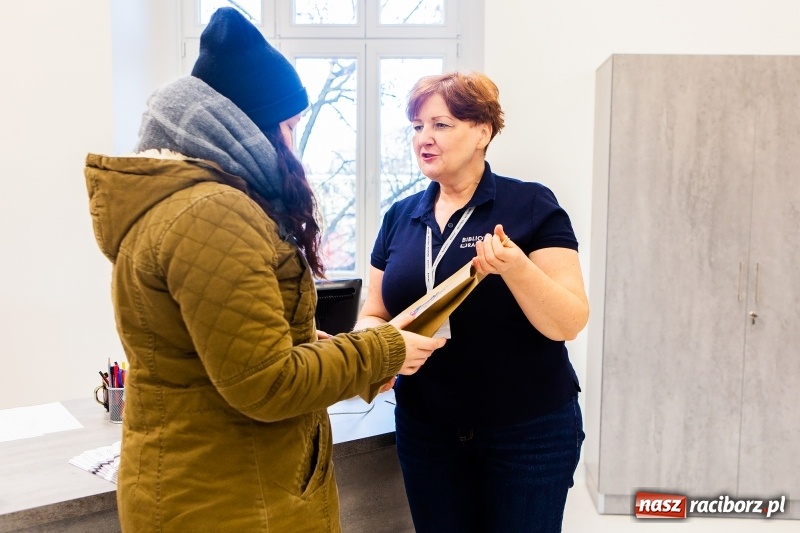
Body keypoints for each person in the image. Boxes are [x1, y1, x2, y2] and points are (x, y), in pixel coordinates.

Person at [84, 8, 444, 532]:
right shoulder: (213, 214)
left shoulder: (191, 204)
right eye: (290, 127)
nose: (294, 147)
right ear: (245, 127)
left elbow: (230, 358)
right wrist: (383, 349)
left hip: (224, 487)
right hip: (231, 501)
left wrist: (310, 344)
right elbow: (266, 383)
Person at [355, 71, 589, 532]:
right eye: (417, 126)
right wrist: (373, 346)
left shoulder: (531, 204)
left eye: (440, 124)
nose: (423, 137)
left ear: (482, 132)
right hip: (427, 432)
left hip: (528, 431)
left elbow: (569, 322)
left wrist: (516, 268)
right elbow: (374, 313)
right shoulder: (399, 216)